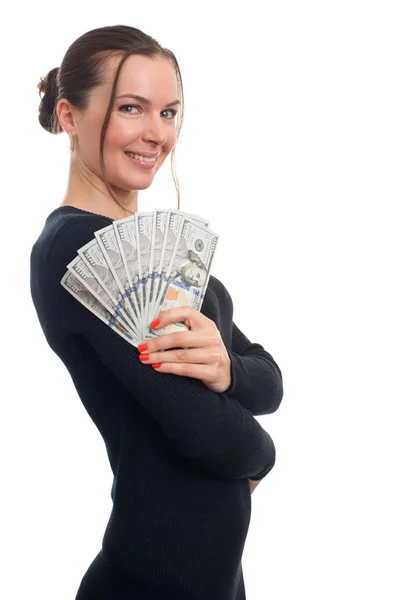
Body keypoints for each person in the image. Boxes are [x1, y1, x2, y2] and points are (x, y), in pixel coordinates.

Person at [30, 24, 284, 600]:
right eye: (131, 108)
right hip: (149, 583)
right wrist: (262, 453)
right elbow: (214, 435)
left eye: (169, 112)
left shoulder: (150, 252)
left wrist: (230, 372)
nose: (156, 133)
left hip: (215, 583)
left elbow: (268, 380)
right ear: (70, 116)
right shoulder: (79, 252)